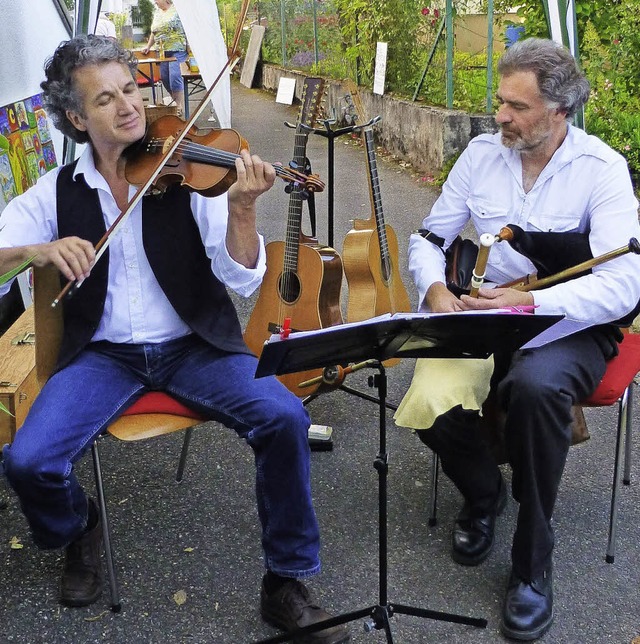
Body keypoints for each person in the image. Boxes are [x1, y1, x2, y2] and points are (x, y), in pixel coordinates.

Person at [0, 34, 349, 644]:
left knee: (285, 417)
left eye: (130, 89)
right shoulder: (57, 192)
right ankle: (80, 528)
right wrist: (40, 248)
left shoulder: (189, 172)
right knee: (28, 461)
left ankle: (286, 582)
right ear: (78, 119)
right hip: (104, 356)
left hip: (197, 346)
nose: (128, 107)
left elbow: (241, 277)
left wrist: (242, 209)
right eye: (105, 100)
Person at [406, 37, 640, 641]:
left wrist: (532, 300)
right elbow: (430, 238)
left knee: (535, 389)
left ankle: (532, 563)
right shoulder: (483, 155)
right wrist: (435, 290)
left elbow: (622, 288)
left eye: (517, 106)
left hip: (569, 322)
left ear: (560, 109)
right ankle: (485, 494)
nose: (500, 116)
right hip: (484, 313)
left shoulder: (603, 170)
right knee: (427, 396)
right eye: (500, 102)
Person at [142, 0, 187, 115]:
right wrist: (148, 46)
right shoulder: (157, 13)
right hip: (162, 52)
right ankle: (176, 101)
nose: (155, 1)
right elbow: (154, 32)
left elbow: (187, 28)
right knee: (165, 78)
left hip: (177, 49)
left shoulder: (177, 10)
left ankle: (178, 106)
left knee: (175, 76)